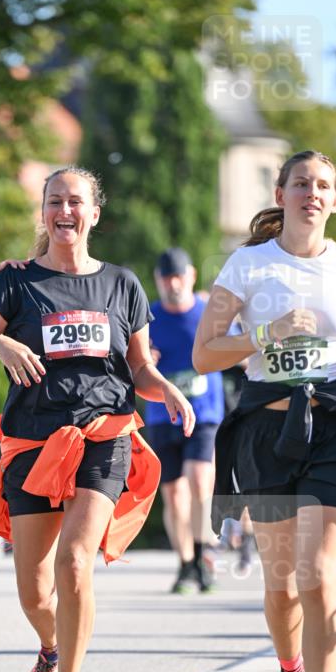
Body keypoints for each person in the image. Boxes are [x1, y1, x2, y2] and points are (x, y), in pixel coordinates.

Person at [0, 165, 194, 672]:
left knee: (75, 562)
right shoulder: (14, 282)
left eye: (76, 201)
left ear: (94, 213)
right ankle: (49, 648)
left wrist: (169, 390)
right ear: (43, 212)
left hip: (103, 436)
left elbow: (138, 368)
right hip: (34, 440)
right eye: (55, 201)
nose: (66, 210)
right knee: (36, 590)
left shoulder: (122, 284)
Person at [192, 150, 336, 672]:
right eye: (301, 183)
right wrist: (264, 335)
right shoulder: (250, 265)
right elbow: (205, 354)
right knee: (282, 583)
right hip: (266, 432)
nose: (312, 192)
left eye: (324, 185)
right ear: (280, 194)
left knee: (318, 572)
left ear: (335, 199)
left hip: (331, 427)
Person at [146, 248, 225, 593]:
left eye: (179, 277)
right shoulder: (148, 317)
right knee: (174, 494)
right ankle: (185, 564)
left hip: (204, 413)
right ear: (158, 281)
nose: (173, 284)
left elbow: (238, 343)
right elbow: (131, 362)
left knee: (199, 480)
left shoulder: (209, 313)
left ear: (191, 276)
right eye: (166, 278)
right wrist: (143, 357)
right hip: (163, 416)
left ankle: (204, 552)